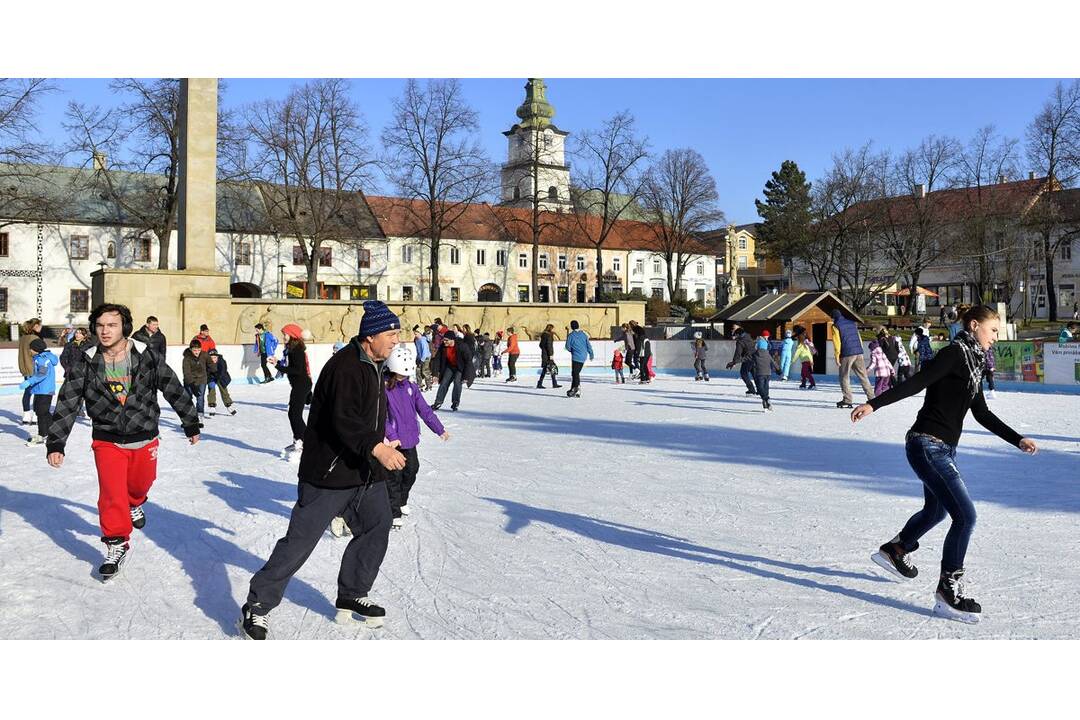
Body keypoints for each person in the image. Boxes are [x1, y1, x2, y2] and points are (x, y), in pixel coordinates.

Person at [853, 306, 1037, 624]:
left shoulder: (972, 362)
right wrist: (874, 403)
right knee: (965, 516)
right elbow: (917, 382)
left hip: (942, 449)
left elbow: (981, 413)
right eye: (993, 330)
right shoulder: (953, 354)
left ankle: (896, 550)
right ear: (975, 325)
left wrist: (1017, 439)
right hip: (927, 444)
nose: (996, 336)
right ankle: (947, 591)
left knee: (937, 511)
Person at [240, 301, 407, 640]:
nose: (396, 341)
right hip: (329, 475)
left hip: (362, 470)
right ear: (371, 335)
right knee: (300, 543)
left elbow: (365, 417)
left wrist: (383, 438)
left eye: (397, 334)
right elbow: (341, 420)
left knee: (378, 524)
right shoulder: (344, 367)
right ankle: (257, 605)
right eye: (391, 334)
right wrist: (375, 447)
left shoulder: (374, 363)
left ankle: (352, 593)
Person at [45, 303, 200, 581]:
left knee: (140, 485)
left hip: (145, 435)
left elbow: (172, 387)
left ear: (124, 328)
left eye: (112, 325)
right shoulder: (86, 361)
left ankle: (135, 501)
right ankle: (116, 542)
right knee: (111, 492)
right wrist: (56, 442)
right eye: (100, 325)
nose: (105, 331)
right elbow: (68, 401)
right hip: (107, 438)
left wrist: (190, 421)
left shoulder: (146, 356)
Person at [380, 344, 449, 530]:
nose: (403, 377)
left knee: (411, 471)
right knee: (394, 477)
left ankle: (401, 501)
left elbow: (425, 410)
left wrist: (439, 428)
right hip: (393, 442)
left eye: (406, 374)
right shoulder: (383, 388)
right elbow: (381, 416)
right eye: (400, 374)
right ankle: (393, 513)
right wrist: (391, 435)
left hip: (410, 439)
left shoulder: (411, 387)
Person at [271, 324, 311, 461]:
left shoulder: (297, 350)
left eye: (285, 334)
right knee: (293, 414)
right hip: (299, 385)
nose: (283, 337)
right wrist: (278, 363)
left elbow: (297, 370)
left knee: (295, 414)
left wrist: (278, 366)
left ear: (292, 335)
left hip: (301, 385)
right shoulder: (291, 349)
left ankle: (305, 442)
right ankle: (299, 439)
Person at [831, 309, 874, 409]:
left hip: (847, 353)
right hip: (858, 351)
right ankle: (872, 398)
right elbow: (858, 337)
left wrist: (837, 356)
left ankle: (847, 400)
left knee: (844, 376)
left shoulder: (836, 326)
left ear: (834, 317)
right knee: (863, 376)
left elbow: (837, 342)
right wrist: (860, 349)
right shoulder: (852, 323)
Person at [19, 338, 58, 446]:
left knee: (41, 413)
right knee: (42, 412)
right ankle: (52, 432)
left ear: (36, 349)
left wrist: (29, 381)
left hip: (44, 390)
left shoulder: (42, 359)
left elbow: (42, 374)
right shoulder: (41, 357)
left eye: (30, 349)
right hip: (42, 389)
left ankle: (42, 435)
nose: (29, 351)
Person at [431, 331, 471, 412]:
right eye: (443, 340)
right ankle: (438, 402)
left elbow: (468, 361)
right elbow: (437, 360)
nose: (444, 342)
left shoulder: (462, 346)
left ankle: (455, 402)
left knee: (457, 382)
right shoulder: (443, 347)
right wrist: (435, 374)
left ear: (452, 340)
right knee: (444, 382)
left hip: (460, 367)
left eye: (446, 340)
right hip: (450, 366)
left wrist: (466, 376)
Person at [18, 318, 43, 425]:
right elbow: (39, 352)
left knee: (28, 392)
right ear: (35, 326)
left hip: (25, 367)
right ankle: (36, 416)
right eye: (40, 325)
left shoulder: (23, 338)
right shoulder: (35, 338)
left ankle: (26, 415)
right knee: (38, 392)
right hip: (34, 368)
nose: (41, 327)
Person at [182, 339, 211, 419]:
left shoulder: (204, 355)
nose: (197, 352)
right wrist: (192, 385)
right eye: (194, 350)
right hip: (190, 381)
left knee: (200, 398)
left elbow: (211, 364)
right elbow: (187, 373)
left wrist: (211, 373)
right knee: (188, 399)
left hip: (202, 380)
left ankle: (200, 415)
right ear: (191, 349)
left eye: (198, 350)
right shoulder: (186, 359)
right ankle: (189, 416)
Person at [564, 320, 594, 398]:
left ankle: (576, 387)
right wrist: (591, 353)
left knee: (575, 373)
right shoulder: (584, 335)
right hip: (583, 356)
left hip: (576, 356)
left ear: (571, 327)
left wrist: (572, 350)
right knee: (575, 373)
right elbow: (588, 345)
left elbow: (567, 346)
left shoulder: (571, 335)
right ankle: (573, 389)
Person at [725, 326, 758, 395]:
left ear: (738, 334)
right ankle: (760, 389)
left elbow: (738, 353)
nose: (735, 336)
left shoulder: (740, 342)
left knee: (744, 374)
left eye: (736, 335)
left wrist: (733, 362)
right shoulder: (749, 337)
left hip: (747, 359)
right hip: (755, 358)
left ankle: (751, 390)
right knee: (755, 375)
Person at [752, 334, 780, 411]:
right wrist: (778, 370)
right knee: (766, 387)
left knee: (760, 388)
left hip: (759, 373)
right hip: (768, 373)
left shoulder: (755, 354)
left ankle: (766, 399)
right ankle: (766, 405)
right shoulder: (768, 354)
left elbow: (752, 363)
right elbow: (773, 362)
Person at [206, 349, 236, 416]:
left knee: (224, 390)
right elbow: (206, 372)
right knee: (211, 390)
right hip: (211, 378)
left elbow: (223, 371)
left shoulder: (221, 361)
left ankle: (228, 405)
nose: (213, 359)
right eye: (211, 358)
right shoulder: (206, 362)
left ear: (217, 357)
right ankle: (212, 406)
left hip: (221, 377)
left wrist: (218, 377)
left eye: (215, 357)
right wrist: (210, 379)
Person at [537, 324, 561, 389]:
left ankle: (552, 383)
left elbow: (540, 345)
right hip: (548, 355)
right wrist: (550, 355)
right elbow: (549, 346)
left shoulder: (543, 335)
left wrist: (544, 350)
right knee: (551, 368)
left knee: (547, 368)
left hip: (544, 354)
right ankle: (553, 383)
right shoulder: (549, 336)